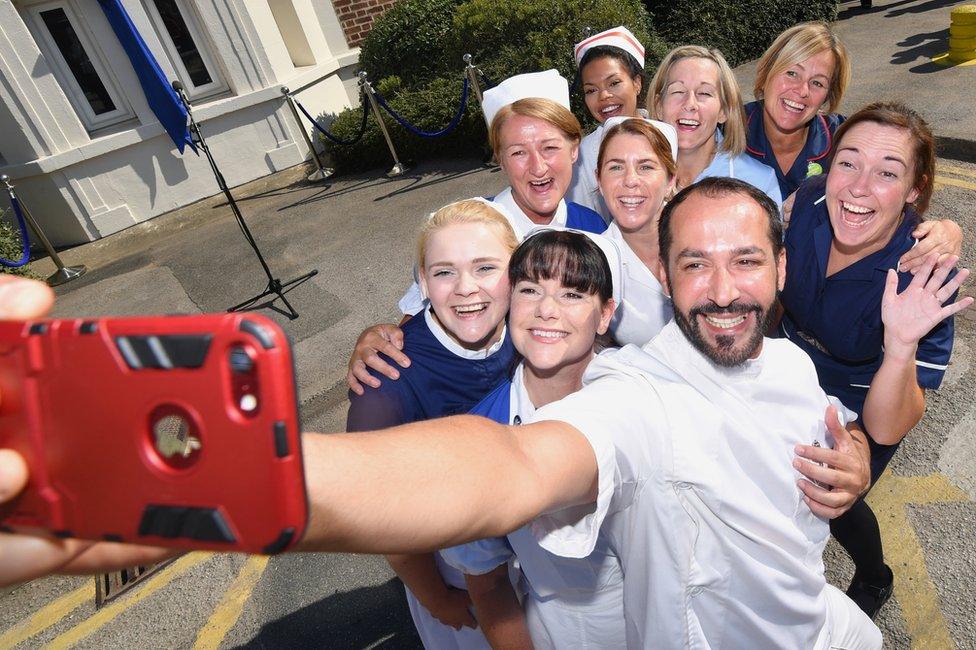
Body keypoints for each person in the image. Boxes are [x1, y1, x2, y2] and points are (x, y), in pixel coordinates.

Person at [3, 179, 903, 649]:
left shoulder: (788, 364)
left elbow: (832, 418)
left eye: (745, 262)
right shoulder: (636, 395)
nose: (722, 292)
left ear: (780, 271)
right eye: (695, 267)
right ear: (661, 281)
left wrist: (856, 452)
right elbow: (501, 471)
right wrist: (213, 476)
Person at [778, 102, 973, 618]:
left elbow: (889, 427)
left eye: (887, 172)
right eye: (849, 162)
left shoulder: (922, 274)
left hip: (866, 396)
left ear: (914, 189)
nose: (859, 186)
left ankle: (874, 574)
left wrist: (902, 344)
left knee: (834, 498)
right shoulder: (810, 200)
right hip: (786, 366)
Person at [346, 198, 526, 649]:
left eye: (486, 268)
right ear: (423, 283)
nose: (466, 288)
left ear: (517, 272)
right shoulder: (385, 383)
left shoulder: (534, 327)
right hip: (461, 574)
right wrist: (435, 597)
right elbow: (385, 521)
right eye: (444, 272)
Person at [443, 229, 627, 648]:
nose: (547, 310)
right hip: (574, 632)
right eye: (530, 290)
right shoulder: (483, 434)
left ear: (604, 314)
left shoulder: (644, 388)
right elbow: (488, 586)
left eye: (573, 294)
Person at [746, 22, 961, 271]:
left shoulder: (846, 138)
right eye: (791, 73)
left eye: (817, 83)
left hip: (807, 280)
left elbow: (895, 191)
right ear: (767, 72)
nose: (801, 91)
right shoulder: (725, 132)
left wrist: (947, 231)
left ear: (828, 94)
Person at [396, 70, 606, 318]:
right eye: (518, 152)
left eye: (549, 147)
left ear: (574, 150)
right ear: (501, 160)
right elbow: (413, 327)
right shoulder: (463, 229)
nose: (538, 167)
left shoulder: (594, 229)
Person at [647, 45, 783, 209]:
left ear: (724, 111)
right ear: (659, 106)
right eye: (678, 91)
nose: (690, 104)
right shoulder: (634, 178)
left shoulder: (759, 184)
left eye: (704, 93)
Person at [595, 116, 678, 346]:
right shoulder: (593, 263)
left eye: (645, 167)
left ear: (670, 179)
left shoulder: (706, 239)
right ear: (599, 180)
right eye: (616, 167)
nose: (630, 180)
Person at [567, 26, 648, 219]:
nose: (603, 96)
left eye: (614, 83)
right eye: (591, 90)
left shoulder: (671, 134)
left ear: (636, 83)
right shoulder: (583, 157)